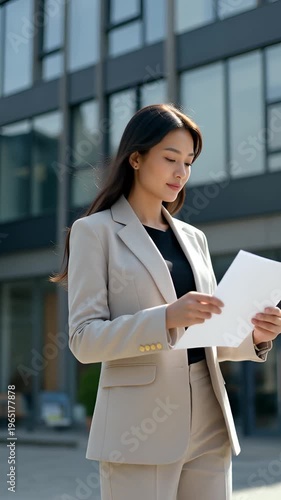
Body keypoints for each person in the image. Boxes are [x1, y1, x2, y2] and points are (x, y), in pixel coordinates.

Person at [51, 103, 281, 500]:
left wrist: (255, 337)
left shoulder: (194, 239)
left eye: (189, 162)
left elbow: (206, 338)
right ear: (136, 158)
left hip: (209, 416)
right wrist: (166, 318)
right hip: (138, 428)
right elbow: (84, 340)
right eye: (170, 158)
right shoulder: (95, 232)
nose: (181, 172)